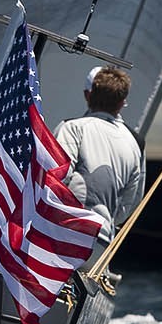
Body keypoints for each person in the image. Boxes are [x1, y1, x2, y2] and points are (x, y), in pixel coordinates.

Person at [55, 66, 145, 245]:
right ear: (122, 102)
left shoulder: (72, 128)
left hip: (63, 236)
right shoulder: (136, 144)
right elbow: (129, 205)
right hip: (101, 245)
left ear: (88, 96)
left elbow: (55, 180)